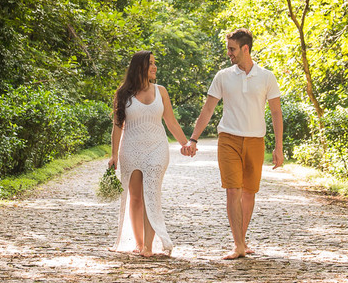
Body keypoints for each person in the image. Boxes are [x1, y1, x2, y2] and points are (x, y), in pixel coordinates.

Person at [185, 28, 283, 259]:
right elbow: (208, 108)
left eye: (232, 49)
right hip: (228, 138)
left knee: (249, 192)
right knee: (233, 190)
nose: (229, 53)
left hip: (255, 140)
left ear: (245, 48)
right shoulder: (223, 76)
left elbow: (276, 112)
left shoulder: (267, 76)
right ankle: (238, 243)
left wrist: (278, 147)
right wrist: (193, 138)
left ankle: (242, 238)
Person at [108, 50, 193, 257]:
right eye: (151, 64)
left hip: (157, 148)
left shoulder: (161, 91)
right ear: (140, 67)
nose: (155, 67)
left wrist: (186, 143)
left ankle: (148, 245)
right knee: (136, 197)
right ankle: (138, 242)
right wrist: (114, 155)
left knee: (151, 194)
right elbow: (117, 126)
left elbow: (170, 121)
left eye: (155, 63)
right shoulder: (123, 94)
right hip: (131, 149)